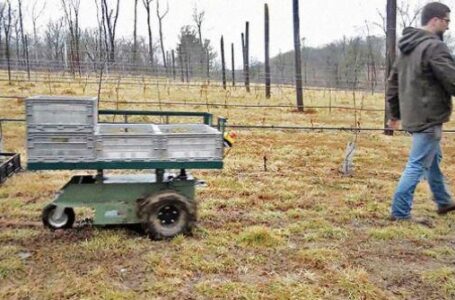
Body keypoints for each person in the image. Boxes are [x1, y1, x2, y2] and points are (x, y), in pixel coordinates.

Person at [387, 2, 455, 221]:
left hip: (414, 115)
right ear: (434, 20)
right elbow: (452, 80)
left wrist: (395, 114)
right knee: (417, 164)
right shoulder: (434, 47)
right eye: (446, 21)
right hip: (429, 116)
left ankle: (444, 201)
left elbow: (393, 84)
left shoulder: (406, 47)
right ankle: (400, 212)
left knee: (432, 158)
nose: (447, 26)